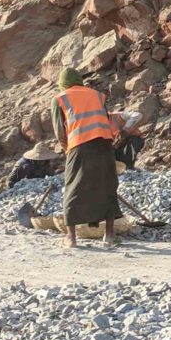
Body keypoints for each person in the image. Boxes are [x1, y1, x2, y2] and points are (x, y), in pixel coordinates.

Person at [53, 66, 124, 248]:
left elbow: (60, 131)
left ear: (63, 84)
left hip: (79, 145)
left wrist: (67, 149)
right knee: (106, 186)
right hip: (104, 145)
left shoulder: (60, 98)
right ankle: (108, 235)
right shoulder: (97, 95)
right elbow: (106, 118)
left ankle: (71, 238)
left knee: (74, 188)